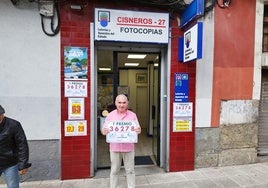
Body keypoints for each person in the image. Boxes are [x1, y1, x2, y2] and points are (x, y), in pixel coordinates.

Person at [101, 94, 141, 188]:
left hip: (129, 148)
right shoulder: (110, 115)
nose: (121, 105)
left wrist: (138, 130)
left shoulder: (133, 115)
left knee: (130, 170)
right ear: (115, 103)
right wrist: (104, 131)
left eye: (124, 102)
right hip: (115, 147)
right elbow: (103, 130)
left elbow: (137, 129)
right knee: (114, 170)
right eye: (119, 102)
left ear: (127, 103)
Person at [0, 105, 31, 188]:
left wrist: (23, 164)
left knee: (13, 186)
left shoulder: (14, 125)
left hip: (10, 163)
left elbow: (22, 144)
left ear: (2, 114)